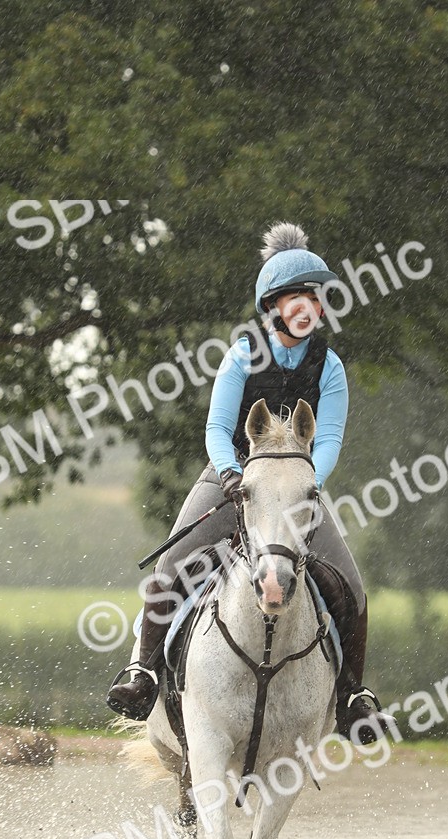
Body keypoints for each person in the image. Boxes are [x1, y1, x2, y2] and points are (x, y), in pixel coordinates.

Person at [106, 222, 383, 744]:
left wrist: (307, 482)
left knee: (353, 588)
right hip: (231, 474)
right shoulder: (241, 355)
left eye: (316, 298)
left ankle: (351, 697)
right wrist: (232, 475)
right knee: (170, 566)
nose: (310, 307)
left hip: (297, 486)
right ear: (274, 305)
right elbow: (215, 428)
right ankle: (143, 672)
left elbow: (328, 440)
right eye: (299, 297)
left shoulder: (331, 367)